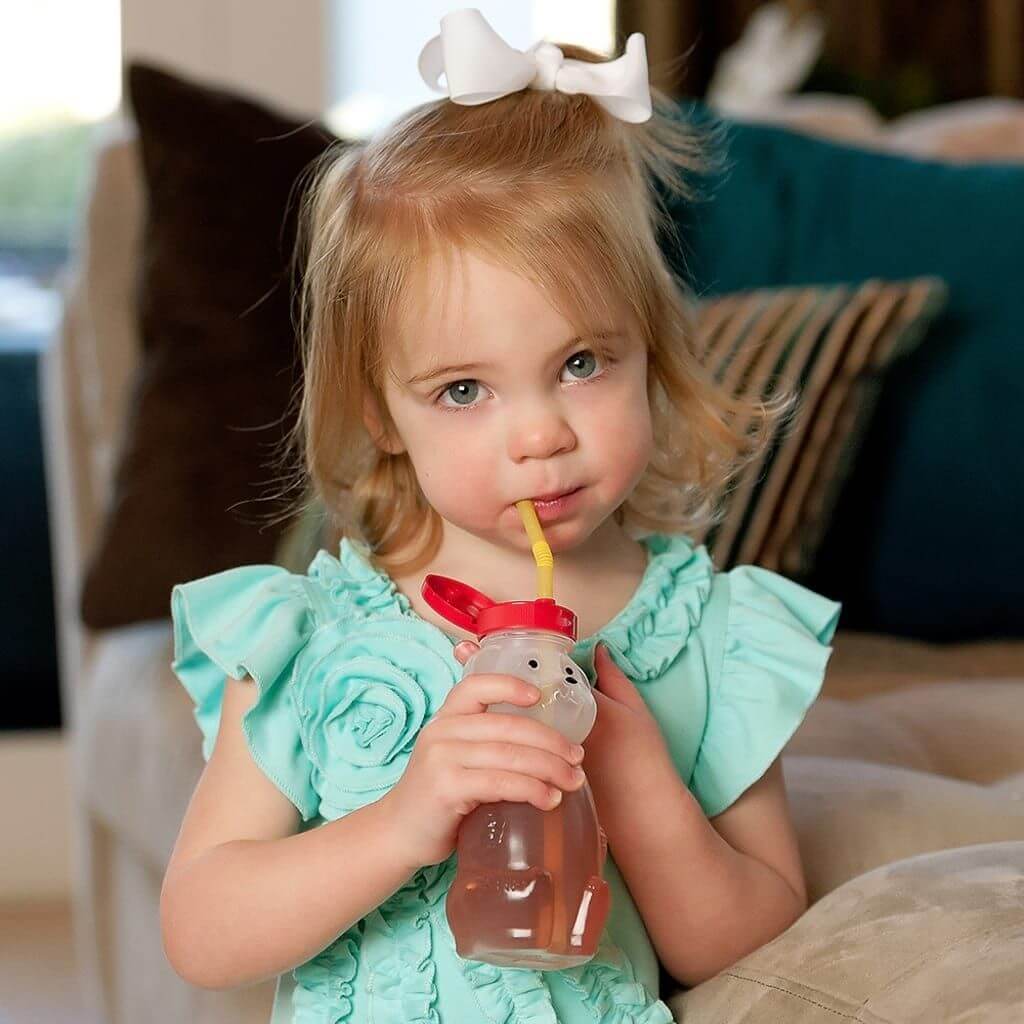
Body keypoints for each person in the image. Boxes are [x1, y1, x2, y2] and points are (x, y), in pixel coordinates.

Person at [160, 9, 841, 1022]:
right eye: (463, 391)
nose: (539, 437)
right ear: (375, 414)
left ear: (648, 353)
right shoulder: (314, 637)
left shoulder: (706, 631)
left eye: (579, 363)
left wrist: (635, 780)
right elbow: (202, 932)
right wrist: (406, 818)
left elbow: (749, 935)